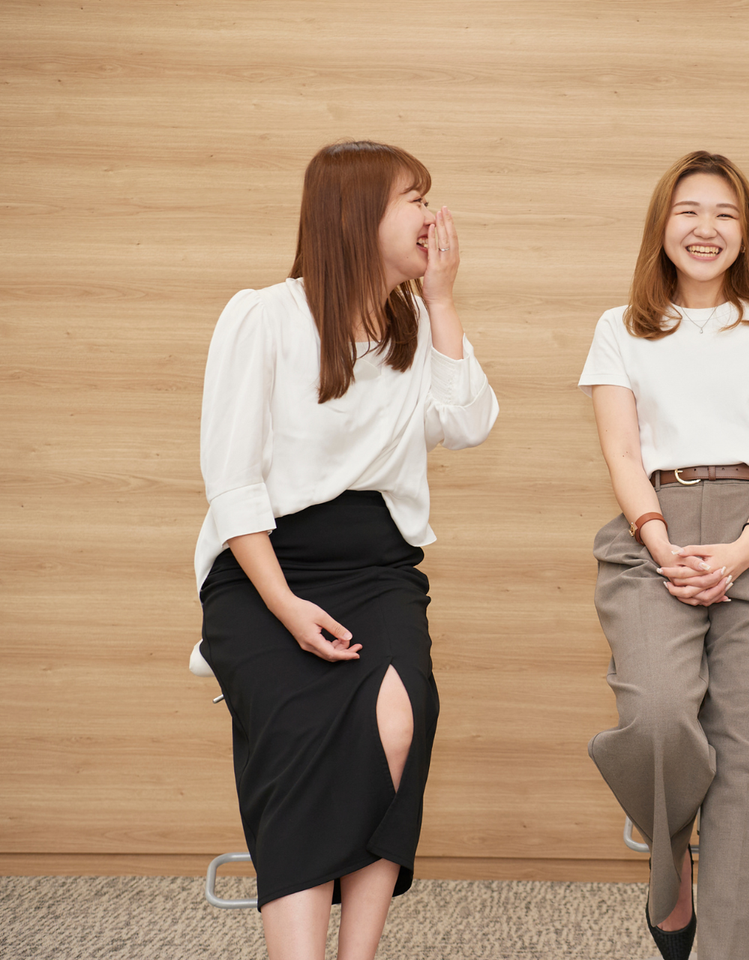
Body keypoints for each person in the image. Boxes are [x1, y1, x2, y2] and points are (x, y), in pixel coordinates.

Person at [195, 140, 498, 960]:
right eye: (415, 199)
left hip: (378, 569)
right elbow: (232, 485)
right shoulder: (264, 316)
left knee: (399, 724)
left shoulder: (410, 329)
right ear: (359, 215)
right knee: (302, 743)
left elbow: (468, 424)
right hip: (266, 571)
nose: (432, 216)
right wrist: (285, 606)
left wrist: (441, 301)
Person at [579, 150, 749, 960]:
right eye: (689, 210)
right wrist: (663, 545)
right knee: (658, 720)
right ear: (662, 224)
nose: (706, 228)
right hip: (652, 532)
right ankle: (673, 864)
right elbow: (623, 452)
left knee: (746, 770)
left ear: (746, 231)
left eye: (726, 214)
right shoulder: (620, 328)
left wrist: (743, 548)